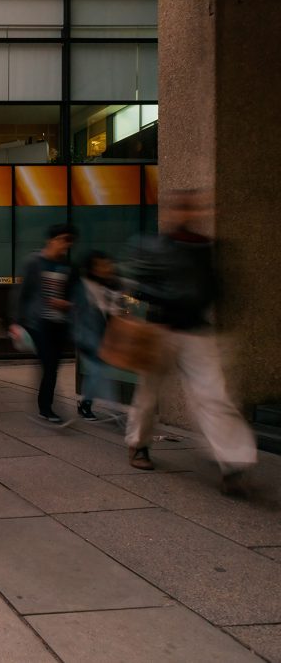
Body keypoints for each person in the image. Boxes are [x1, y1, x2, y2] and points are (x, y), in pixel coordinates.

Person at [122, 188, 257, 493]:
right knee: (148, 394)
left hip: (196, 330)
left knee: (214, 395)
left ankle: (233, 462)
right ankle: (138, 443)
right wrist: (173, 298)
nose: (191, 213)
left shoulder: (204, 248)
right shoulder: (156, 246)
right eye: (185, 208)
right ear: (172, 212)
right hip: (161, 330)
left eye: (195, 208)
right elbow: (140, 285)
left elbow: (214, 287)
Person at [15, 223, 79, 423]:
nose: (65, 245)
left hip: (59, 322)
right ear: (51, 240)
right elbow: (22, 293)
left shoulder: (67, 267)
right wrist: (16, 322)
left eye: (69, 241)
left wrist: (67, 305)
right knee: (49, 365)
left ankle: (47, 405)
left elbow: (74, 295)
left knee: (52, 366)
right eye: (62, 240)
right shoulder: (35, 262)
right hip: (38, 323)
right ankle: (46, 407)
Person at [72, 251, 122, 420]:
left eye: (107, 264)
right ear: (92, 268)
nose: (106, 268)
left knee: (97, 371)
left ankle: (87, 403)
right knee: (99, 370)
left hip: (102, 335)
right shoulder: (83, 285)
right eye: (101, 265)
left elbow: (113, 311)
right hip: (86, 335)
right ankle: (109, 408)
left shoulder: (110, 286)